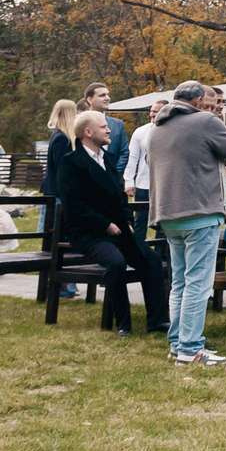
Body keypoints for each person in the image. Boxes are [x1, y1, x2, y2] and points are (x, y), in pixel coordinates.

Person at [146, 79, 226, 366]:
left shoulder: (157, 128)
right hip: (200, 211)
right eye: (208, 101)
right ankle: (191, 349)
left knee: (179, 282)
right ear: (197, 101)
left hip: (168, 214)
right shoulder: (205, 121)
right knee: (198, 283)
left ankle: (177, 342)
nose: (211, 106)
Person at [58, 110, 168, 336]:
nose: (109, 130)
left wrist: (126, 220)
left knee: (152, 261)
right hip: (89, 234)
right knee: (116, 263)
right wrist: (105, 225)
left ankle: (157, 321)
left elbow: (119, 197)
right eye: (103, 127)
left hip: (119, 231)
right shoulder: (71, 162)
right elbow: (74, 205)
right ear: (88, 132)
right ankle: (123, 323)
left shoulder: (107, 159)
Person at [42, 98, 83, 298]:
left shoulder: (63, 138)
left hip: (59, 195)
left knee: (62, 239)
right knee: (59, 239)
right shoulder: (62, 138)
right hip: (59, 195)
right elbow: (62, 170)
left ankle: (66, 285)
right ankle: (64, 285)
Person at [123, 97, 166, 242]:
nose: (152, 114)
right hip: (143, 184)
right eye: (151, 111)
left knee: (163, 222)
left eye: (156, 111)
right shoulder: (140, 132)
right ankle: (138, 250)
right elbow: (132, 157)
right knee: (140, 221)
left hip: (164, 185)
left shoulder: (172, 132)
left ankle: (161, 252)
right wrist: (129, 181)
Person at [83, 82, 128, 185]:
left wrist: (113, 173)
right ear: (89, 99)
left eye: (108, 95)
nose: (107, 98)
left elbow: (124, 153)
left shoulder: (118, 124)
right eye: (102, 95)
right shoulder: (78, 124)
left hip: (113, 183)